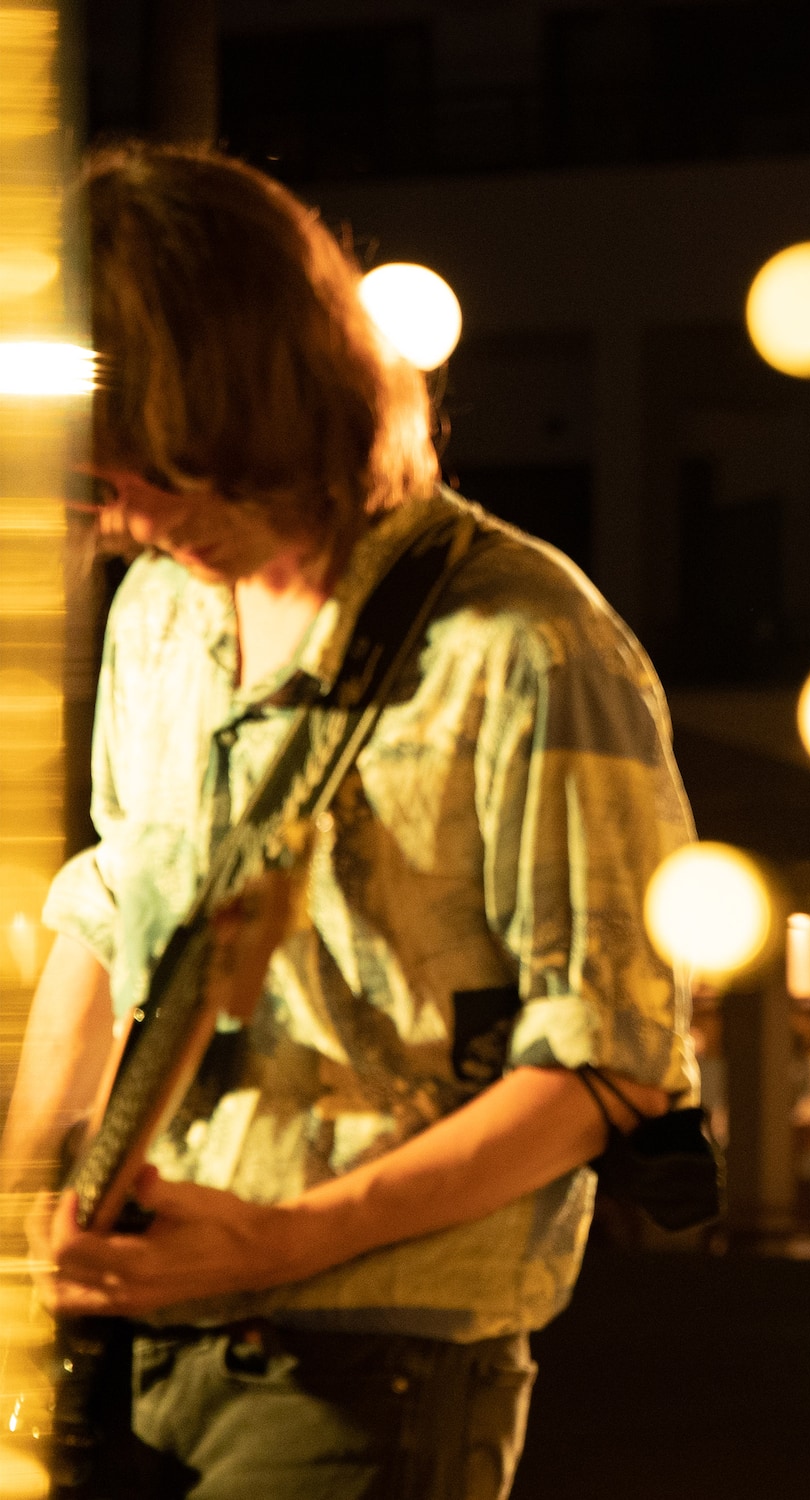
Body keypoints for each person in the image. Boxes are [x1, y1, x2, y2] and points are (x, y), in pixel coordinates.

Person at [0, 142, 697, 1497]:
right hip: (134, 1341)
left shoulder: (532, 643)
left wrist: (278, 1241)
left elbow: (613, 1066)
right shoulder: (160, 614)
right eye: (105, 484)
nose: (131, 519)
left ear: (252, 401)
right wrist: (30, 1197)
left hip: (379, 1360)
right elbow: (108, 912)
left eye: (158, 474)